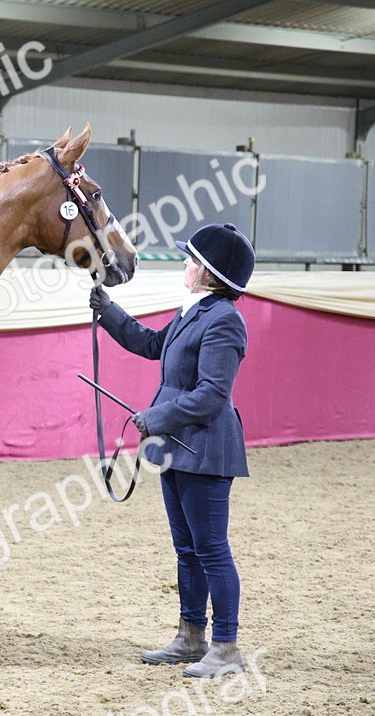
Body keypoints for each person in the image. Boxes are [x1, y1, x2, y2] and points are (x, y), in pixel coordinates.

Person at [89, 223, 254, 678]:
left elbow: (212, 394)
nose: (185, 263)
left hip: (206, 449)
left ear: (209, 272)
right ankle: (190, 636)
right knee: (187, 548)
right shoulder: (193, 313)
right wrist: (109, 311)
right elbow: (151, 344)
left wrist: (156, 418)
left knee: (211, 549)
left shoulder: (224, 321)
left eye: (191, 258)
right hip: (180, 448)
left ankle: (226, 647)